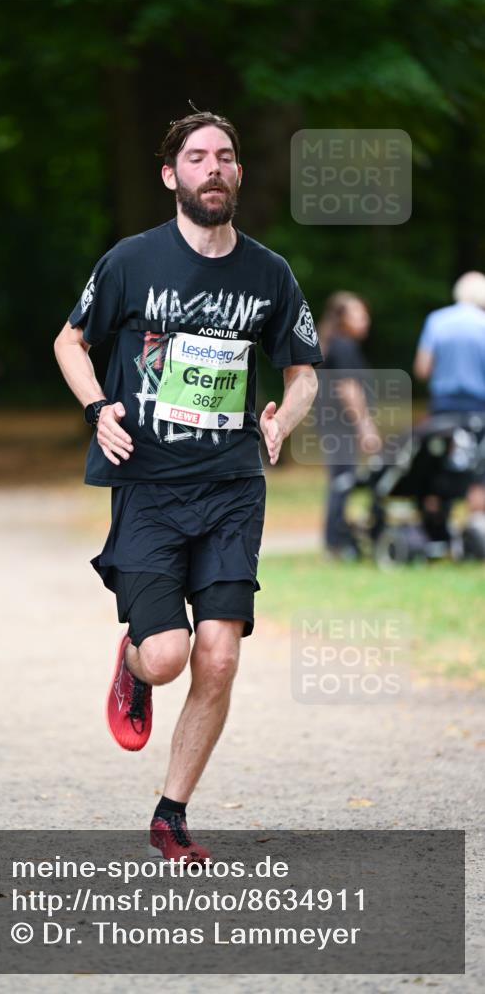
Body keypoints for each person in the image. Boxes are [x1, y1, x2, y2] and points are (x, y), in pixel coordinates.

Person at [54, 110, 321, 862]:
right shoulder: (131, 261)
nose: (213, 167)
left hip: (232, 484)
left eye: (226, 157)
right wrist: (98, 406)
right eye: (197, 157)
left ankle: (170, 813)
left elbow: (301, 369)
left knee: (220, 654)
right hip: (148, 483)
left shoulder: (269, 273)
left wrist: (282, 419)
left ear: (237, 175)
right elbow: (70, 341)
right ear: (171, 176)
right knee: (168, 655)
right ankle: (134, 662)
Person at [413, 270, 485, 529]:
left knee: (439, 467)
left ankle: (436, 528)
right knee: (478, 473)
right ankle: (476, 533)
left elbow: (422, 368)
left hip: (442, 409)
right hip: (478, 410)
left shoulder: (437, 321)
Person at [316, 291, 382, 559]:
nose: (366, 320)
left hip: (333, 424)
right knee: (343, 479)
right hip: (340, 425)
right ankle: (336, 542)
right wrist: (365, 425)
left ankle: (337, 538)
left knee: (341, 478)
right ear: (342, 318)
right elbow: (348, 388)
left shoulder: (335, 343)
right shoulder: (343, 345)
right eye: (359, 314)